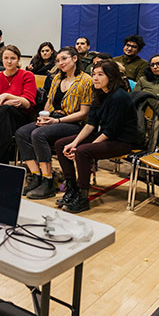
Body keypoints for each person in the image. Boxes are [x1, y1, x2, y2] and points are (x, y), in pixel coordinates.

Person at [54, 60, 138, 213]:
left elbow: (111, 131)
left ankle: (83, 196)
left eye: (100, 75)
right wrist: (74, 142)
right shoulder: (99, 94)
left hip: (122, 140)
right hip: (105, 135)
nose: (95, 78)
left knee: (83, 151)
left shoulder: (120, 97)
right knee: (61, 144)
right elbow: (90, 124)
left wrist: (83, 147)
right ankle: (71, 188)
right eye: (93, 74)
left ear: (111, 77)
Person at [15, 47, 93, 200]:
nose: (60, 63)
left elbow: (84, 113)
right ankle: (36, 175)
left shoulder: (86, 80)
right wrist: (43, 117)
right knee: (21, 133)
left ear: (75, 58)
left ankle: (48, 180)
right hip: (53, 118)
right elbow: (49, 103)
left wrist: (57, 120)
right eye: (58, 60)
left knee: (38, 134)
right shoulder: (56, 78)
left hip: (73, 123)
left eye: (64, 59)